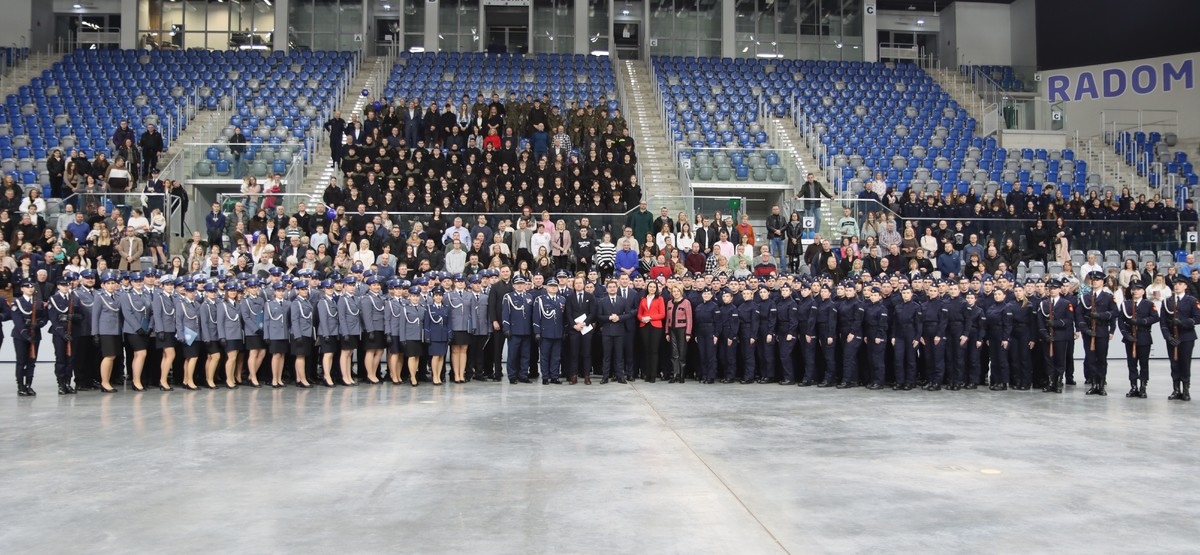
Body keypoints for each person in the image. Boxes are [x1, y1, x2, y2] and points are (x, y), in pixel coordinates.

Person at [1078, 271, 1117, 396]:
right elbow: (1079, 314)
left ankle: (1101, 384)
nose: (1094, 281)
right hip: (1088, 332)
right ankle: (1093, 384)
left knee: (1101, 359)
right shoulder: (1085, 297)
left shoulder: (1108, 297)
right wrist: (1084, 328)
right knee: (1090, 358)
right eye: (1093, 279)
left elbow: (1115, 312)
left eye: (1097, 279)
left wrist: (1101, 316)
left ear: (1102, 282)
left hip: (1101, 330)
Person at [1118, 280, 1157, 398]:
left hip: (1144, 336)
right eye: (1133, 289)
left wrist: (1141, 322)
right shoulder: (1125, 304)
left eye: (1138, 289)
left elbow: (1155, 317)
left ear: (1143, 291)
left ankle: (1143, 386)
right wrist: (1126, 335)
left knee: (1144, 363)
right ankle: (1133, 386)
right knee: (1131, 363)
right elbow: (1120, 321)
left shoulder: (1148, 304)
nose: (1135, 291)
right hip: (1130, 337)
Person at [1161, 276, 1198, 401]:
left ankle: (1186, 389)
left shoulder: (1192, 300)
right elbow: (1163, 322)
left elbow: (1198, 318)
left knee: (1185, 363)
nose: (1177, 286)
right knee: (1174, 363)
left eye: (1180, 284)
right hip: (1172, 337)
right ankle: (1176, 389)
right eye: (1175, 284)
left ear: (1185, 286)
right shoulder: (1167, 301)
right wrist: (1168, 337)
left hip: (1186, 336)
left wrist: (1183, 322)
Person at [595, 280, 629, 384]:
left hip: (619, 331)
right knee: (606, 355)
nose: (612, 288)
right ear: (607, 289)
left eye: (614, 287)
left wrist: (619, 317)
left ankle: (620, 376)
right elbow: (599, 316)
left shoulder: (623, 300)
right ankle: (605, 377)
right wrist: (609, 317)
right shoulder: (602, 301)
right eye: (610, 287)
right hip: (607, 332)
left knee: (619, 355)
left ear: (617, 288)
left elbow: (628, 314)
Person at [533, 278, 565, 384]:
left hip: (558, 333)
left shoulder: (562, 299)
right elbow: (536, 317)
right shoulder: (540, 299)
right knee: (545, 356)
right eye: (551, 286)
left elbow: (564, 317)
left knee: (556, 357)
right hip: (545, 332)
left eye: (555, 286)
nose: (553, 288)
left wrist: (564, 331)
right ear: (547, 287)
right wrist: (537, 332)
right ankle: (545, 377)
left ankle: (554, 376)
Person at [502, 276, 533, 384]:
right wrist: (506, 328)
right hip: (514, 330)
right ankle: (512, 375)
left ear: (525, 285)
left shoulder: (529, 297)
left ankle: (523, 374)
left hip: (527, 331)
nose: (520, 285)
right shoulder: (509, 297)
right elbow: (505, 314)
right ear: (514, 285)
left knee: (525, 355)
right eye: (517, 284)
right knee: (513, 355)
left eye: (522, 283)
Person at [664, 284, 692, 384]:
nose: (675, 293)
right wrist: (667, 332)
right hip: (672, 330)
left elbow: (689, 318)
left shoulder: (686, 302)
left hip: (682, 330)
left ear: (681, 292)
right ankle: (675, 374)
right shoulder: (669, 303)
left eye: (677, 291)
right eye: (674, 291)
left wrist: (688, 333)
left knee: (682, 352)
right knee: (674, 353)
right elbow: (667, 319)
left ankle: (682, 375)